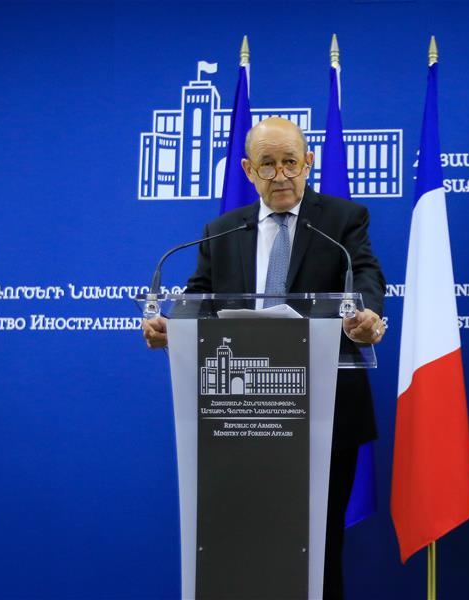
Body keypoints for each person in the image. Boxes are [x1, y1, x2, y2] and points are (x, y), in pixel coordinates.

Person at [142, 117, 386, 599]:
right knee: (243, 541)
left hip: (326, 410)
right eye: (268, 164)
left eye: (290, 162)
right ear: (248, 170)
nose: (280, 175)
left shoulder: (343, 220)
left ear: (308, 163)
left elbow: (364, 273)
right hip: (239, 414)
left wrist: (367, 314)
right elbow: (197, 298)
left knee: (320, 545)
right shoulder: (221, 231)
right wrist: (171, 328)